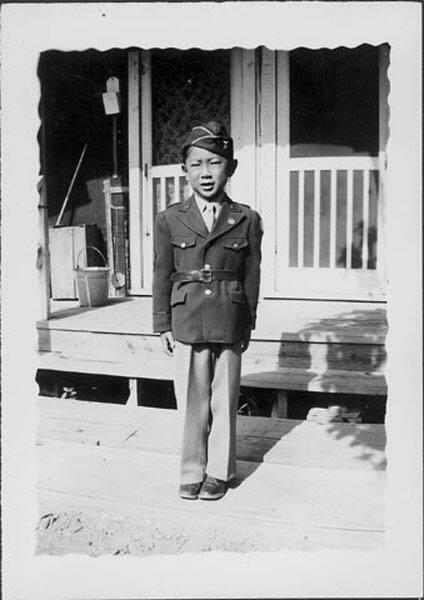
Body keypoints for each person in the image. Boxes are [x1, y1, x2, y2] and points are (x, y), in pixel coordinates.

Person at [152, 121, 262, 501]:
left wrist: (248, 322)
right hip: (186, 318)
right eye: (197, 164)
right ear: (185, 171)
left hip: (229, 317)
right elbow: (162, 273)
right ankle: (191, 470)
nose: (205, 173)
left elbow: (252, 274)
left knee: (224, 399)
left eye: (214, 163)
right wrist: (161, 322)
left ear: (229, 167)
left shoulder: (246, 219)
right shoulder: (170, 219)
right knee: (191, 402)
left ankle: (219, 472)